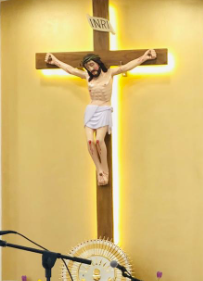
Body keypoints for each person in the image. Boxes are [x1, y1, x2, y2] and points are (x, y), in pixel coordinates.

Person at [44, 50, 156, 185]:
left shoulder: (110, 73)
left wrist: (144, 57)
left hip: (104, 109)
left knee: (98, 141)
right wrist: (55, 61)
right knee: (90, 141)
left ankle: (105, 170)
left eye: (92, 65)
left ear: (98, 63)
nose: (91, 69)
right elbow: (71, 70)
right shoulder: (86, 76)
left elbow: (127, 66)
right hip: (91, 110)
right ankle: (99, 170)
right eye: (88, 67)